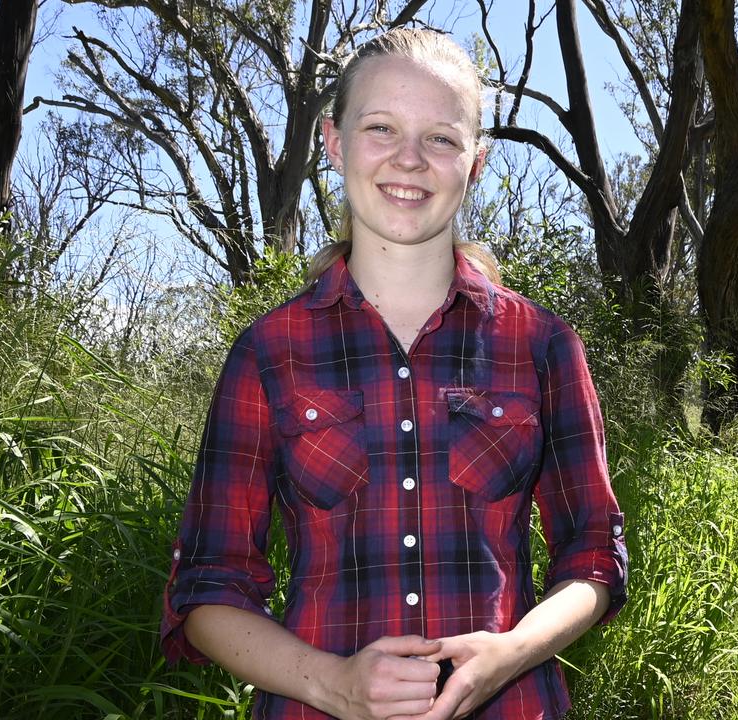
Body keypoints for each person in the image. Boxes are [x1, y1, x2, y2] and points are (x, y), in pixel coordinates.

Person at [160, 27, 628, 720]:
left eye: (441, 138)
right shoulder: (268, 351)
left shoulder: (544, 345)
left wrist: (513, 652)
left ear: (475, 162)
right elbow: (205, 587)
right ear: (335, 142)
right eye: (381, 128)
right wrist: (333, 683)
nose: (409, 159)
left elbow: (593, 556)